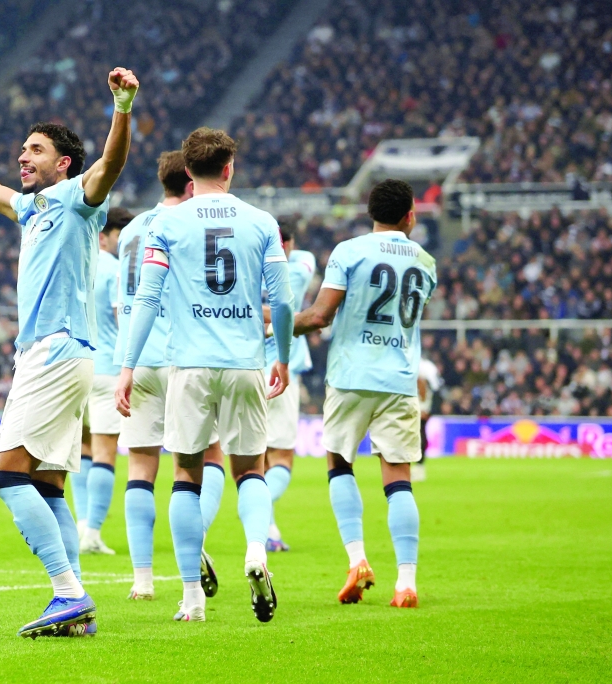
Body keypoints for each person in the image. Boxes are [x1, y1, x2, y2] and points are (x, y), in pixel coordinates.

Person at [0, 66, 138, 638]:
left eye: (34, 150)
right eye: (22, 149)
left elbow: (109, 166)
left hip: (54, 352)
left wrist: (122, 107)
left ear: (63, 162)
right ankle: (75, 605)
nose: (23, 157)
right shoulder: (31, 210)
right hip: (63, 354)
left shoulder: (75, 198)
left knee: (8, 476)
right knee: (47, 484)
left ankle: (69, 593)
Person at [116, 127, 295, 624]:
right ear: (229, 169)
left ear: (188, 174)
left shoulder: (166, 224)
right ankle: (256, 552)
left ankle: (192, 597)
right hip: (245, 363)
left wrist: (128, 366)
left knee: (186, 477)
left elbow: (147, 299)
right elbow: (280, 300)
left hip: (189, 366)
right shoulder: (260, 221)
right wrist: (281, 354)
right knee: (249, 471)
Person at [293, 179, 436, 609]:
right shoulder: (426, 261)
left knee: (339, 463)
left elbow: (319, 317)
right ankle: (406, 583)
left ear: (370, 212)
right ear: (410, 215)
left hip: (351, 375)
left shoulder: (349, 251)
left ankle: (357, 560)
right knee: (399, 479)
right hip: (399, 379)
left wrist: (273, 322)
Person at [113, 150, 223, 601]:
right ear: (193, 182)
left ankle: (142, 580)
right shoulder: (195, 226)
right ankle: (194, 541)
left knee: (140, 466)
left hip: (135, 358)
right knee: (206, 457)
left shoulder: (133, 229)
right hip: (182, 356)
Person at [78, 207, 132, 555]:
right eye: (118, 236)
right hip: (108, 366)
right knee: (104, 453)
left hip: (75, 366)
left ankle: (82, 522)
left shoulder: (77, 263)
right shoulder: (116, 270)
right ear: (104, 236)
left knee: (82, 449)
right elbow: (122, 317)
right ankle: (93, 533)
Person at [262, 219, 316, 552]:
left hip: (244, 365)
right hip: (280, 368)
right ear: (289, 243)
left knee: (256, 458)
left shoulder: (246, 262)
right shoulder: (299, 263)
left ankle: (269, 529)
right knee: (281, 456)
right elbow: (286, 308)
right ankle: (258, 513)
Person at [413, 357, 442, 482]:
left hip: (420, 407)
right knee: (420, 434)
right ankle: (418, 467)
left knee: (419, 434)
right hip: (422, 406)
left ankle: (418, 467)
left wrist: (423, 407)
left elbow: (423, 387)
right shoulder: (428, 366)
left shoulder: (419, 368)